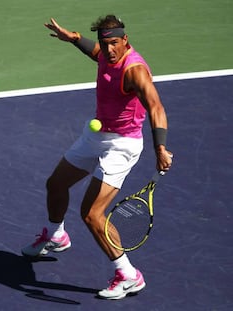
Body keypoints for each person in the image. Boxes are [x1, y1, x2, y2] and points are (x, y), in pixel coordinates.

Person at [21, 15, 173, 300]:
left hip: (122, 145)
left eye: (115, 43)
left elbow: (156, 107)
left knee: (92, 214)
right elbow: (94, 51)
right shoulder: (104, 53)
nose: (109, 49)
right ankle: (56, 235)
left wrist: (160, 148)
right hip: (97, 134)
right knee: (55, 185)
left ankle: (128, 275)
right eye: (105, 44)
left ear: (125, 40)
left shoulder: (135, 70)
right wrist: (75, 38)